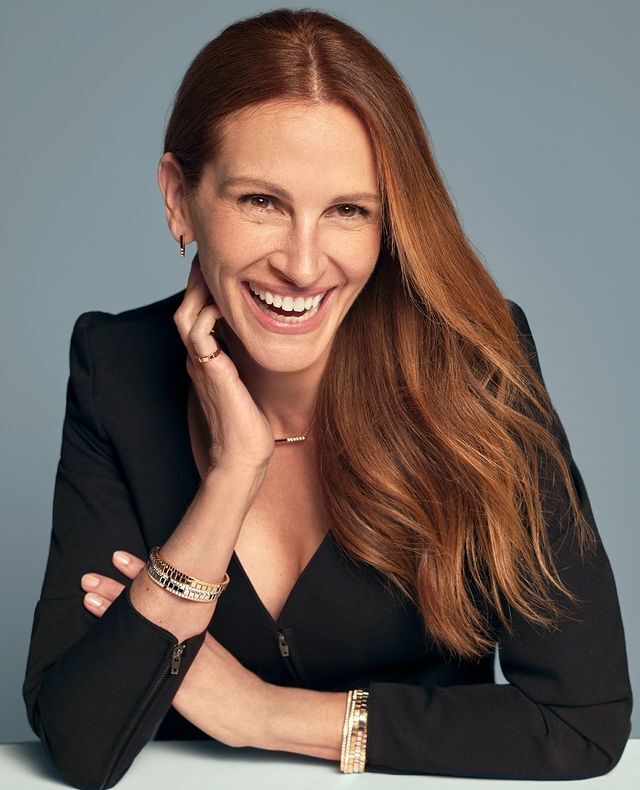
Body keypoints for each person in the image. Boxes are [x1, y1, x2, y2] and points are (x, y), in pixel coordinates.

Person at [23, 7, 632, 790]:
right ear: (179, 197)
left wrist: (262, 715)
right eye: (262, 202)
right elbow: (79, 743)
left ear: (387, 223)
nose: (304, 265)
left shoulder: (473, 363)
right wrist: (231, 477)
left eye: (348, 210)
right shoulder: (117, 368)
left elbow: (581, 723)